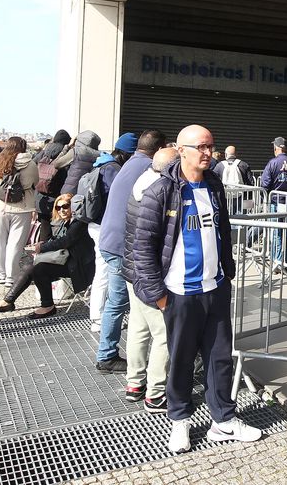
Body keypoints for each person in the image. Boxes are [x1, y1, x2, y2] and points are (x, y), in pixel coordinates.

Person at [132, 124, 261, 454]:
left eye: (211, 146)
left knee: (219, 359)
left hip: (215, 288)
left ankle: (224, 420)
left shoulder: (214, 184)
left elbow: (223, 231)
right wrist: (158, 294)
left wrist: (226, 271)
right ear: (181, 149)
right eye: (201, 147)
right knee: (181, 361)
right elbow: (142, 247)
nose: (208, 153)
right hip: (179, 293)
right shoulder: (162, 190)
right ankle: (179, 421)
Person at [111, 147, 180, 413]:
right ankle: (156, 393)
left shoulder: (141, 180)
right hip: (149, 274)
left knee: (139, 329)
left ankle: (135, 384)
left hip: (131, 270)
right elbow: (150, 242)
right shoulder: (160, 191)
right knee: (163, 334)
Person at [95, 129, 166, 342]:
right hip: (121, 244)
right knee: (121, 303)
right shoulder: (148, 168)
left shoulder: (128, 164)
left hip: (110, 238)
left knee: (121, 302)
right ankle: (107, 355)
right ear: (160, 150)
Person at [0, 193, 95, 319]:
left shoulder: (79, 223)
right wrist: (44, 244)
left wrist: (42, 248)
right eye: (58, 208)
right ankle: (8, 301)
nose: (62, 211)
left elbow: (66, 241)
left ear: (73, 207)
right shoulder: (64, 222)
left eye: (65, 206)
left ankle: (47, 305)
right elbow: (58, 240)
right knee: (30, 266)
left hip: (80, 266)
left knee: (39, 269)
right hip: (69, 261)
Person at [86, 132, 139, 333]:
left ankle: (99, 316)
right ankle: (98, 318)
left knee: (103, 272)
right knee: (104, 274)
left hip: (96, 224)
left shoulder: (100, 163)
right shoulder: (113, 169)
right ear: (125, 154)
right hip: (104, 226)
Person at [0, 137, 38, 288]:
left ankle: (1, 274)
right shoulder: (30, 163)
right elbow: (34, 182)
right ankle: (11, 275)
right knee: (16, 243)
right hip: (22, 206)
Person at [260, 137, 287, 262]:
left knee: (276, 231)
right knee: (285, 231)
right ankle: (284, 259)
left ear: (276, 148)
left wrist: (264, 199)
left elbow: (264, 184)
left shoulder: (273, 163)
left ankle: (277, 261)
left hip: (275, 202)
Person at [34, 130, 72, 242]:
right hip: (59, 196)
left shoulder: (44, 151)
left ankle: (42, 252)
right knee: (61, 226)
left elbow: (33, 164)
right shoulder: (67, 153)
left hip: (41, 196)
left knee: (44, 227)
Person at [59, 131, 102, 195]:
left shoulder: (75, 151)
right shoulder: (100, 155)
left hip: (70, 193)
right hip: (88, 194)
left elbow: (57, 164)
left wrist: (67, 146)